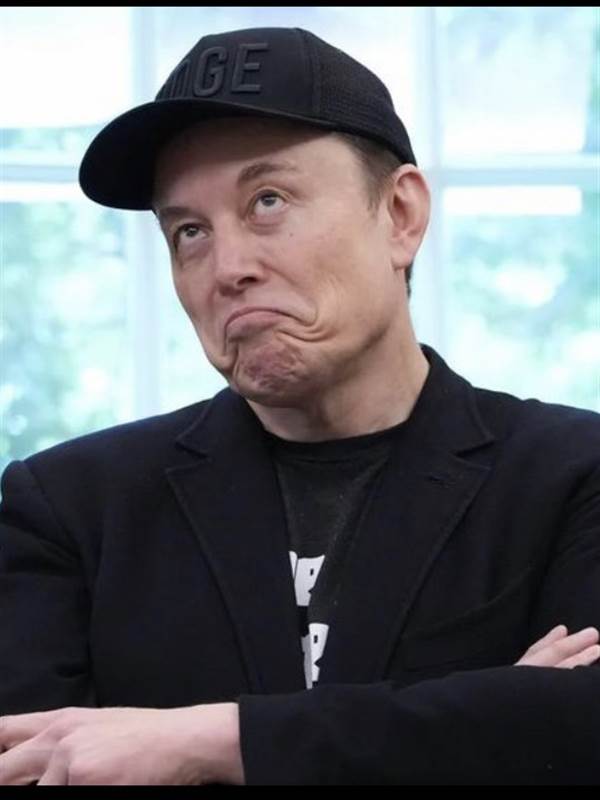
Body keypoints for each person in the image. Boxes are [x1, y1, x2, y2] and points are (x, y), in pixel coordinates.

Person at [1, 26, 599, 786]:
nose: (227, 268)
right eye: (189, 231)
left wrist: (207, 740)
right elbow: (28, 766)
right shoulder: (70, 509)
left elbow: (585, 730)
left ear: (401, 215)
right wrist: (488, 717)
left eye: (268, 201)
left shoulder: (571, 476)